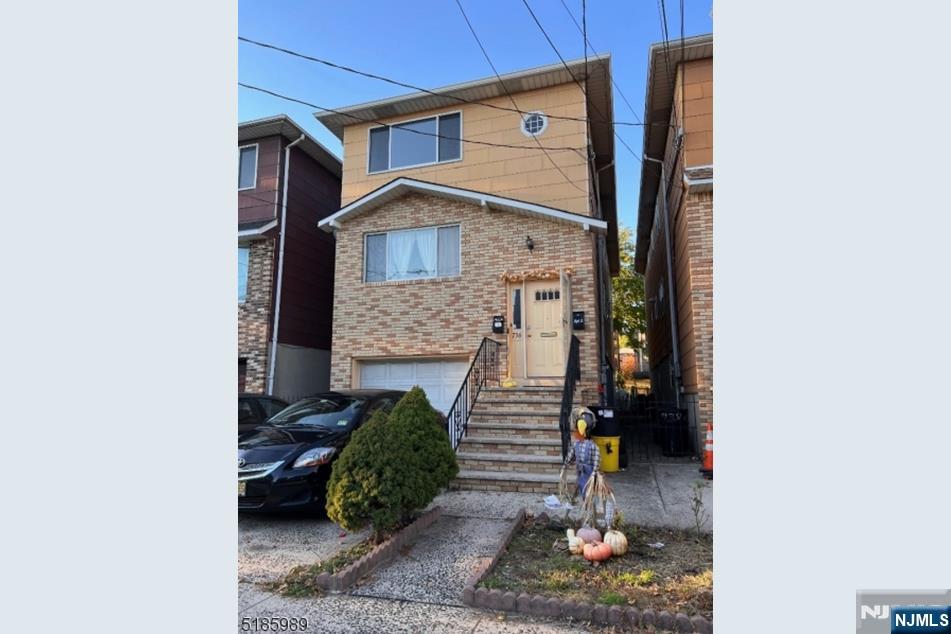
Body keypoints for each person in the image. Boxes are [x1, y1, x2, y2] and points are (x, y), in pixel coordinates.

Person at [565, 408, 600, 499]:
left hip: (589, 473)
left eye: (576, 431)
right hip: (580, 471)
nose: (574, 434)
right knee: (580, 486)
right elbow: (570, 457)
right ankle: (577, 502)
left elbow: (596, 461)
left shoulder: (593, 446)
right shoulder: (575, 444)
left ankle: (588, 507)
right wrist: (566, 465)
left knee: (588, 491)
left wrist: (594, 473)